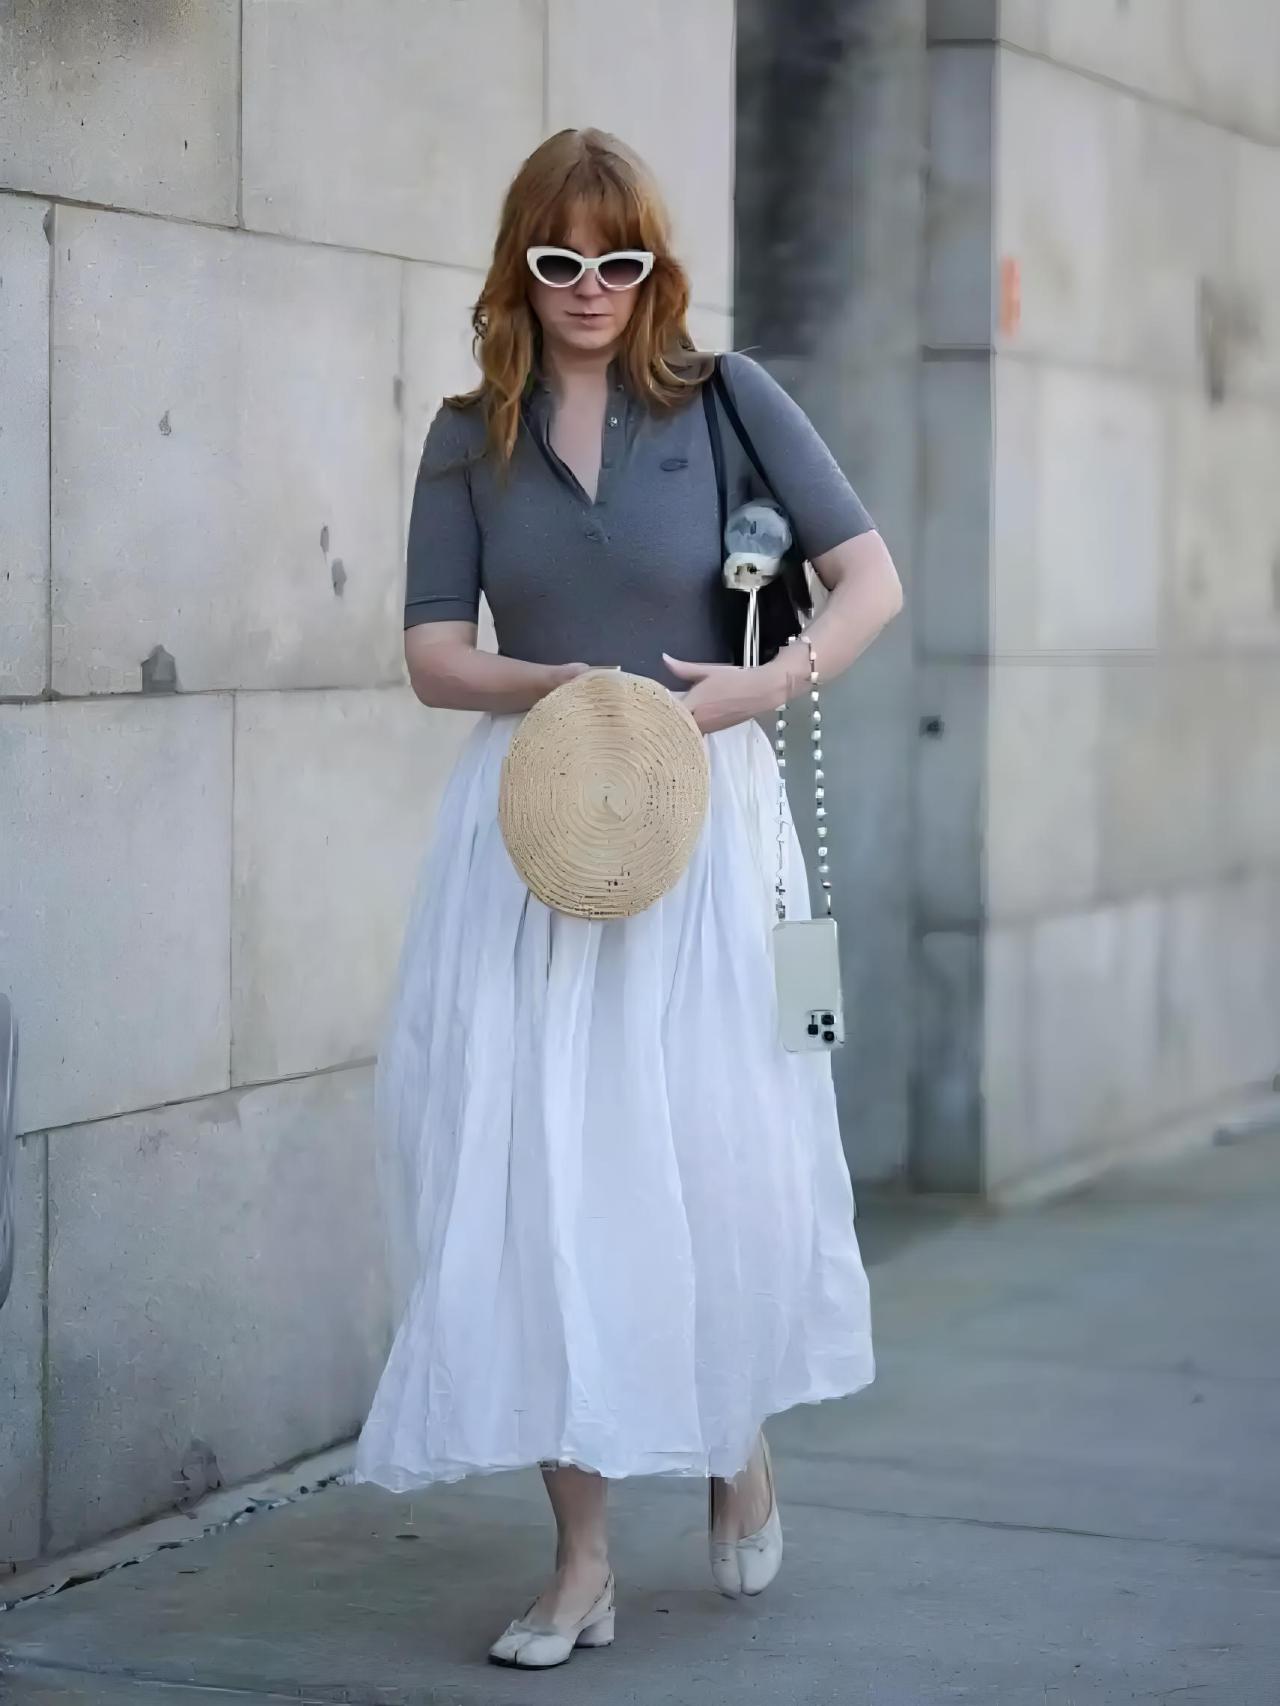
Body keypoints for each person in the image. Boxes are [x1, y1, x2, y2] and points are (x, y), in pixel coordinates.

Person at [355, 128, 903, 1670]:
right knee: (537, 1175)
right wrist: (555, 686)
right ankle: (581, 1554)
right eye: (557, 259)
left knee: (717, 1143)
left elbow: (871, 582)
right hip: (532, 829)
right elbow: (428, 651)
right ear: (517, 268)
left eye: (618, 259)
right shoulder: (471, 432)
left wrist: (751, 688)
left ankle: (735, 1439)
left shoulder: (730, 404)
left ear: (652, 267)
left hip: (710, 826)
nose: (589, 287)